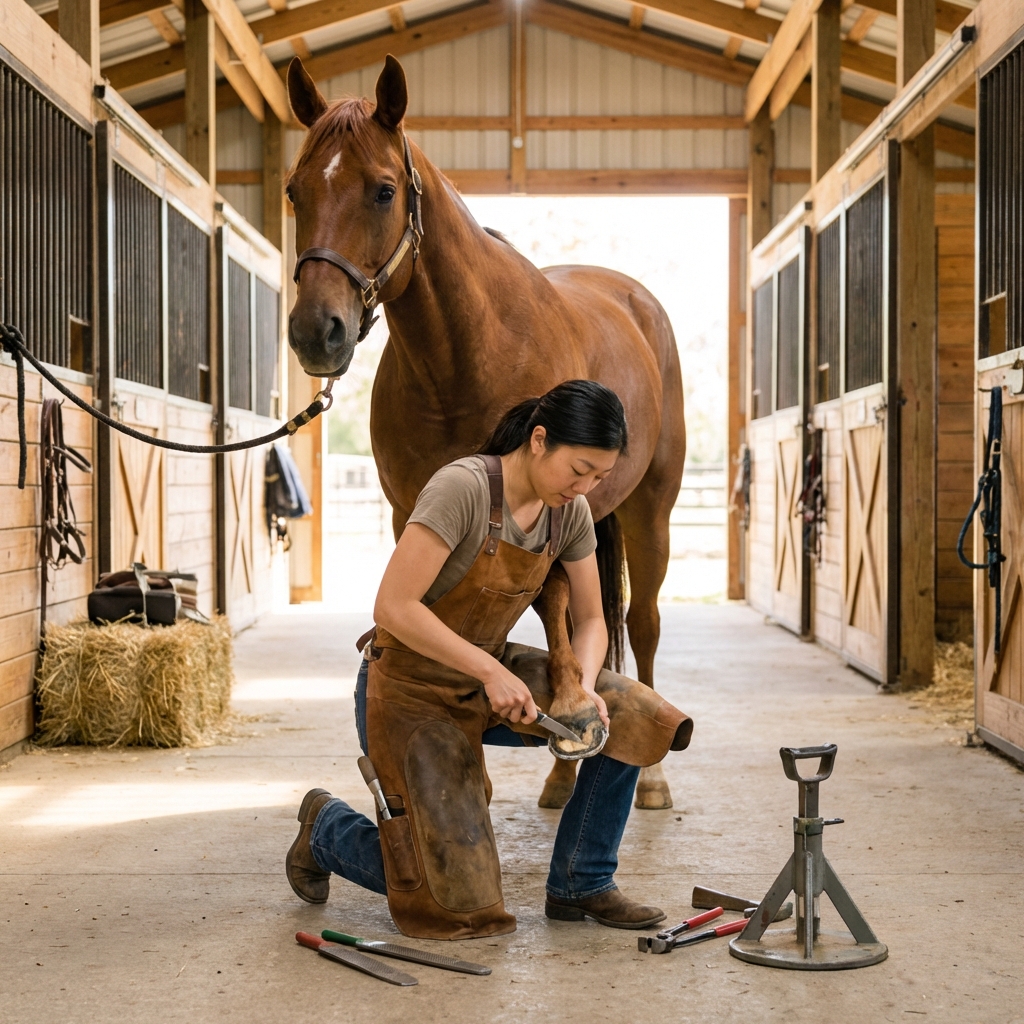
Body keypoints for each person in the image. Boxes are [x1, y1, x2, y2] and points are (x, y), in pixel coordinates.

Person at [285, 380, 691, 939]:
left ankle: (582, 881)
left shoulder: (567, 511)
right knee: (458, 906)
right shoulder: (463, 489)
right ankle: (326, 829)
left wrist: (584, 687)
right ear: (539, 440)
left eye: (599, 478)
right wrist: (489, 670)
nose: (584, 489)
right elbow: (393, 606)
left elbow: (594, 619)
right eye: (578, 469)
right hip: (409, 684)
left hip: (488, 675)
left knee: (631, 716)